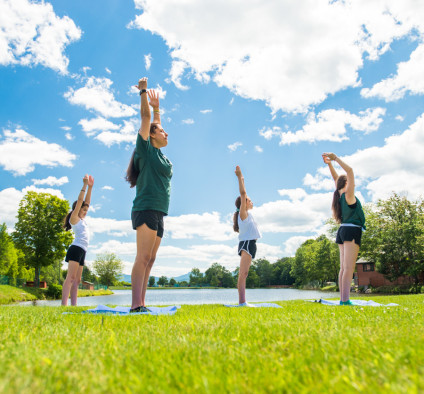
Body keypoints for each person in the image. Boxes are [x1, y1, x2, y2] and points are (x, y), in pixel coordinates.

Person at [126, 77, 172, 313]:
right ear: (152, 136)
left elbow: (155, 122)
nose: (167, 134)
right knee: (142, 257)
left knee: (151, 260)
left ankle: (142, 302)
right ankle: (136, 305)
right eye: (162, 131)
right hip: (145, 208)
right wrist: (143, 92)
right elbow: (147, 121)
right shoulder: (145, 150)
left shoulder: (161, 156)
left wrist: (158, 109)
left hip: (159, 211)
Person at [323, 152, 366, 305]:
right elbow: (350, 171)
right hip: (351, 231)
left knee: (343, 268)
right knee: (348, 268)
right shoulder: (348, 195)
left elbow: (336, 179)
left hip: (342, 231)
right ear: (347, 183)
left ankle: (343, 299)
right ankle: (345, 300)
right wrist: (335, 159)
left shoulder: (339, 195)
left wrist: (329, 165)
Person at [62, 174, 94, 306]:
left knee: (77, 280)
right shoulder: (74, 219)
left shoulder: (82, 220)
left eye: (86, 210)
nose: (85, 211)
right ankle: (63, 304)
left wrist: (91, 188)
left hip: (82, 250)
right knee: (70, 278)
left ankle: (74, 305)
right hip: (75, 249)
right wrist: (85, 185)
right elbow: (81, 200)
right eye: (83, 209)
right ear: (77, 209)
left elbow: (87, 201)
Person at [233, 165, 261, 306]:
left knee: (244, 273)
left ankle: (242, 301)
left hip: (250, 244)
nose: (251, 201)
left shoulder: (248, 216)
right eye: (249, 200)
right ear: (244, 203)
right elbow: (243, 193)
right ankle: (242, 302)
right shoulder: (242, 214)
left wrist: (242, 177)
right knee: (243, 274)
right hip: (246, 243)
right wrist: (239, 177)